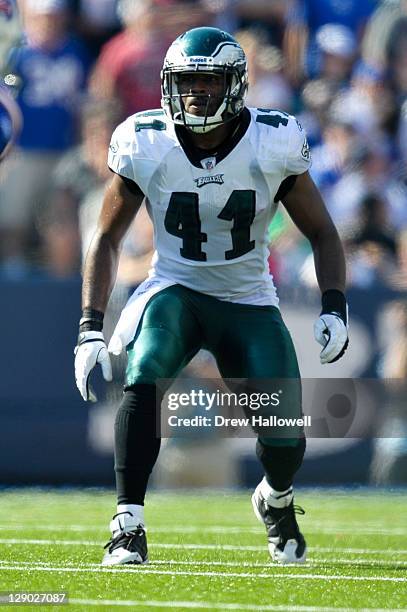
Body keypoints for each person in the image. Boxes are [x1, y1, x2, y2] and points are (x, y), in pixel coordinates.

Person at [74, 26, 349, 567]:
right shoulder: (145, 139)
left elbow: (322, 231)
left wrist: (334, 305)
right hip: (175, 286)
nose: (195, 93)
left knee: (285, 438)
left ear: (237, 86)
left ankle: (276, 497)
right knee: (145, 370)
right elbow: (106, 236)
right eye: (186, 81)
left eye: (207, 81)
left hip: (248, 298)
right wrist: (89, 327)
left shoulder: (272, 140)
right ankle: (127, 524)